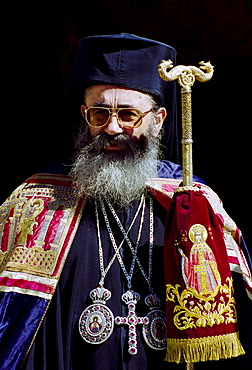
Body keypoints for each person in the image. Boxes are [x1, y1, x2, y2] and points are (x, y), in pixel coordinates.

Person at [0, 33, 251, 370]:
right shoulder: (38, 200)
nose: (112, 127)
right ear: (83, 114)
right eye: (99, 114)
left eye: (129, 115)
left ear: (158, 120)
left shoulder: (191, 200)